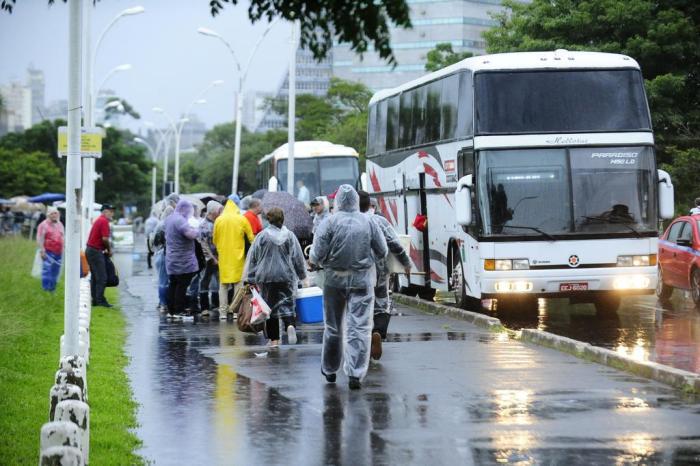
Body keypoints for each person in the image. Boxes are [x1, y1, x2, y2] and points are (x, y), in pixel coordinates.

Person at [309, 184, 387, 390]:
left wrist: (321, 261)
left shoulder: (328, 223)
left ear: (337, 202)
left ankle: (330, 368)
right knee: (359, 327)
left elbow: (316, 254)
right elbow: (382, 250)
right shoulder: (369, 222)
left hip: (334, 281)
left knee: (333, 327)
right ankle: (355, 373)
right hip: (361, 281)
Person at [359, 191, 411, 360]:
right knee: (381, 302)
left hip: (354, 271)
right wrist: (406, 262)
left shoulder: (345, 222)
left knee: (357, 304)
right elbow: (394, 243)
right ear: (370, 205)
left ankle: (361, 340)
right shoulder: (379, 221)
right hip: (379, 268)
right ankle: (378, 332)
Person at [244, 207, 307, 347]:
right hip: (286, 276)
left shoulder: (261, 236)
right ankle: (290, 325)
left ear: (268, 219)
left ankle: (274, 340)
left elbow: (253, 259)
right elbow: (297, 257)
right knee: (287, 303)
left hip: (266, 277)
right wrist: (302, 275)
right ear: (282, 219)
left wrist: (251, 278)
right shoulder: (290, 236)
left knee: (269, 308)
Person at [213, 194, 254, 319]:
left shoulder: (219, 220)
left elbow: (214, 239)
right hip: (238, 257)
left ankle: (223, 313)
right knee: (238, 284)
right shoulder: (241, 219)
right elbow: (251, 238)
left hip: (224, 257)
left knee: (223, 285)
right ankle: (236, 311)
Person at [164, 199, 200, 319]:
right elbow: (191, 235)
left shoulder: (169, 218)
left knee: (173, 284)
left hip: (171, 258)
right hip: (182, 260)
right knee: (182, 285)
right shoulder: (180, 220)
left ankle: (171, 310)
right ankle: (179, 310)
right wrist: (196, 230)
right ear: (185, 209)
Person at [197, 200, 223, 318]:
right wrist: (212, 258)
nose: (220, 212)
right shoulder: (204, 225)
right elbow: (203, 245)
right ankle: (204, 308)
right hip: (208, 259)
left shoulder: (217, 222)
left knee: (218, 281)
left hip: (218, 257)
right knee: (205, 281)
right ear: (213, 211)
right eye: (219, 210)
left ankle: (216, 304)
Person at [86, 204, 115, 307]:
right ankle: (100, 301)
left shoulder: (100, 220)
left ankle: (95, 300)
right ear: (104, 212)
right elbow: (105, 239)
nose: (112, 213)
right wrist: (109, 249)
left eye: (112, 211)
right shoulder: (104, 221)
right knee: (102, 278)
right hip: (95, 251)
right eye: (110, 211)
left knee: (95, 277)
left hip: (91, 250)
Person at [36, 206, 64, 292]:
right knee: (47, 270)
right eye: (52, 213)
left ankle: (52, 289)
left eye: (56, 213)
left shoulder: (60, 224)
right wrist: (42, 250)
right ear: (48, 215)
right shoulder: (43, 225)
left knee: (55, 271)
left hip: (59, 252)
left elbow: (63, 236)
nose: (54, 215)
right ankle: (46, 289)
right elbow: (40, 238)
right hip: (48, 251)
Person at [153, 206, 174, 312]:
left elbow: (153, 241)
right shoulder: (170, 224)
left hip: (159, 254)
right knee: (166, 281)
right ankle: (164, 303)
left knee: (162, 280)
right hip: (166, 254)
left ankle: (162, 303)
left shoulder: (159, 225)